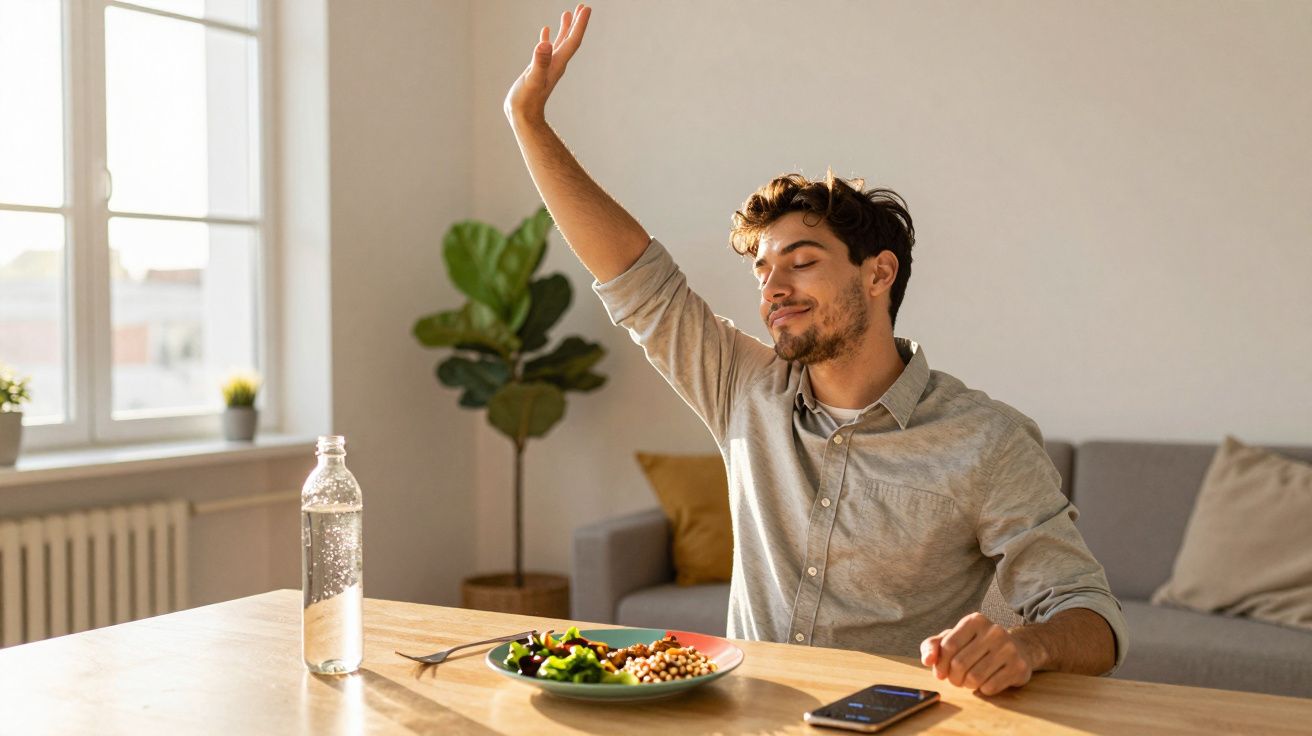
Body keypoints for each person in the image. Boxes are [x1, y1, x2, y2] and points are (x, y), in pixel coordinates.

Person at [503, 4, 1126, 697]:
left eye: (800, 261)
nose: (773, 286)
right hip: (747, 715)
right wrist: (528, 124)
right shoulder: (743, 389)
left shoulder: (987, 442)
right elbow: (636, 280)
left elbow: (1091, 616)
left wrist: (1024, 645)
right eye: (763, 270)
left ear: (878, 273)